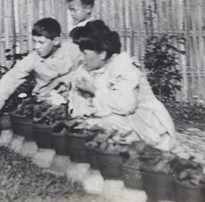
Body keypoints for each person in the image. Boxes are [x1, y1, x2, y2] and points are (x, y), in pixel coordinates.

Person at [67, 20, 176, 151]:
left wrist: (94, 90)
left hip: (149, 129)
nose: (81, 58)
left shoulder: (122, 66)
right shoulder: (95, 66)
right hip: (128, 126)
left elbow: (126, 105)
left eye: (85, 54)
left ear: (102, 54)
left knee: (107, 122)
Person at [0, 18, 82, 141]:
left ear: (56, 40)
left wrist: (64, 80)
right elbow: (9, 80)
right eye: (34, 42)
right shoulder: (33, 59)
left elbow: (88, 68)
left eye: (41, 42)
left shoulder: (72, 50)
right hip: (47, 101)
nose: (36, 47)